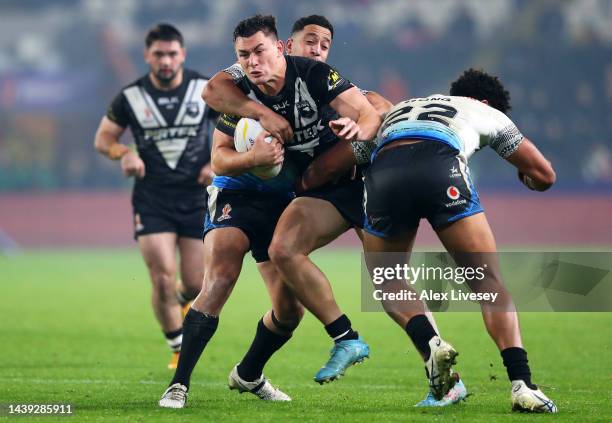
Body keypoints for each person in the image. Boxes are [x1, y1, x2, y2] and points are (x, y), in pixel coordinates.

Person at [158, 14, 381, 409]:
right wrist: (255, 154)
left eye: (259, 51)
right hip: (238, 193)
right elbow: (220, 161)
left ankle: (248, 374)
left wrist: (358, 132)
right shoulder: (239, 93)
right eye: (244, 55)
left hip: (283, 200)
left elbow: (371, 109)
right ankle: (178, 385)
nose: (252, 61)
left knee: (289, 311)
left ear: (280, 48)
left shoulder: (314, 78)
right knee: (222, 276)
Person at [362, 68, 558, 412]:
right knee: (488, 284)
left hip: (385, 169)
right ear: (485, 102)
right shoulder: (485, 111)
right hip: (441, 166)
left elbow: (354, 152)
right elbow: (545, 175)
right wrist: (526, 178)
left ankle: (431, 343)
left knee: (387, 280)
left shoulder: (405, 105)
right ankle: (522, 384)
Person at [94, 24, 216, 370]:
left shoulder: (204, 89)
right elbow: (103, 139)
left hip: (195, 197)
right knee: (162, 275)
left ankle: (179, 300)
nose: (166, 60)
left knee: (194, 284)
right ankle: (178, 349)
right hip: (152, 200)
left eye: (172, 53)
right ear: (147, 56)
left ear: (183, 55)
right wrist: (124, 154)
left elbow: (235, 129)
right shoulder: (130, 97)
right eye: (159, 54)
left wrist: (214, 163)